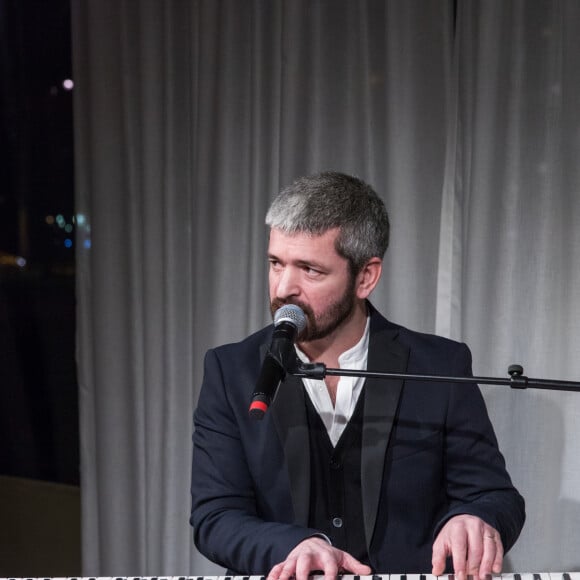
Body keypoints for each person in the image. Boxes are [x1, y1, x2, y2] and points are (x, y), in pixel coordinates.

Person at [190, 171, 525, 580]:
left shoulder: (440, 366)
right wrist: (290, 545)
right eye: (276, 263)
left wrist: (475, 518)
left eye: (310, 270)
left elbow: (494, 496)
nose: (284, 288)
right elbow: (215, 516)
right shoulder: (231, 370)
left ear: (365, 277)